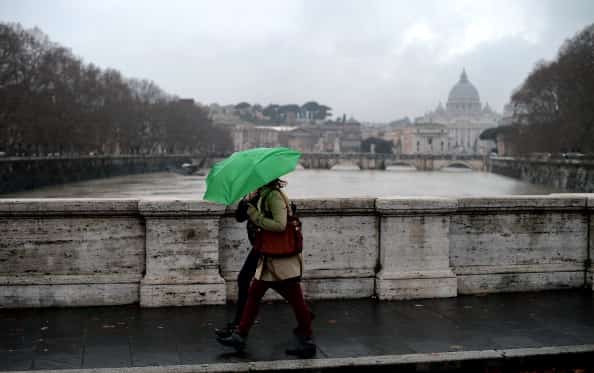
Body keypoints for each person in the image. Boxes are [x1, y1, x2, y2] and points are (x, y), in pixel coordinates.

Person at [216, 178, 316, 358]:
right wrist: (248, 202)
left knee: (294, 297)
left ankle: (307, 338)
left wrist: (256, 216)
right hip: (268, 253)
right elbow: (241, 215)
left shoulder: (274, 196)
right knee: (255, 293)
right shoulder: (263, 195)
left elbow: (280, 225)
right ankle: (240, 335)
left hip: (278, 255)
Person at [214, 191, 261, 338]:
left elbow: (276, 223)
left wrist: (254, 212)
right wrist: (246, 200)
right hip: (260, 246)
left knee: (244, 279)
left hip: (266, 246)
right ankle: (304, 317)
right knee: (284, 285)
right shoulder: (256, 197)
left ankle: (239, 324)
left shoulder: (270, 196)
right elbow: (240, 217)